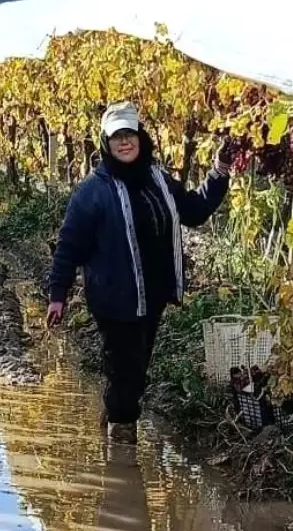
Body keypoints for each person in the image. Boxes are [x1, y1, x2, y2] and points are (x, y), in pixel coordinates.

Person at [46, 101, 231, 443]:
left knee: (136, 366)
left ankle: (114, 413)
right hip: (114, 299)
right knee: (127, 368)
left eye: (130, 134)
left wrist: (219, 172)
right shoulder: (92, 192)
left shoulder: (158, 180)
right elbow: (70, 246)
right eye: (117, 137)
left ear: (141, 137)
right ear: (107, 143)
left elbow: (194, 211)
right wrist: (58, 295)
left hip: (154, 294)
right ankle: (121, 440)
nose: (125, 142)